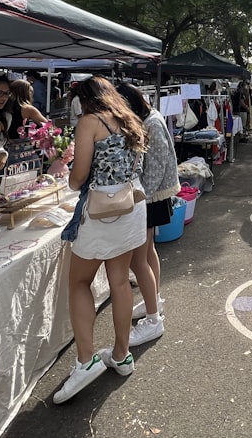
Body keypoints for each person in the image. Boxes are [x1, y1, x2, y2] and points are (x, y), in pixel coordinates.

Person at [54, 76, 148, 404]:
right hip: (132, 203)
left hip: (103, 210)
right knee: (120, 281)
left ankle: (86, 360)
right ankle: (121, 355)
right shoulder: (128, 119)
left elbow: (77, 178)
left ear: (84, 99)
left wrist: (69, 172)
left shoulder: (89, 122)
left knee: (79, 282)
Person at [114, 82, 180, 346]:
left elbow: (159, 163)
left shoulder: (151, 122)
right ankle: (154, 300)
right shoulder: (150, 118)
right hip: (150, 194)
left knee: (138, 258)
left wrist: (143, 197)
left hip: (151, 195)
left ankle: (153, 318)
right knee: (147, 252)